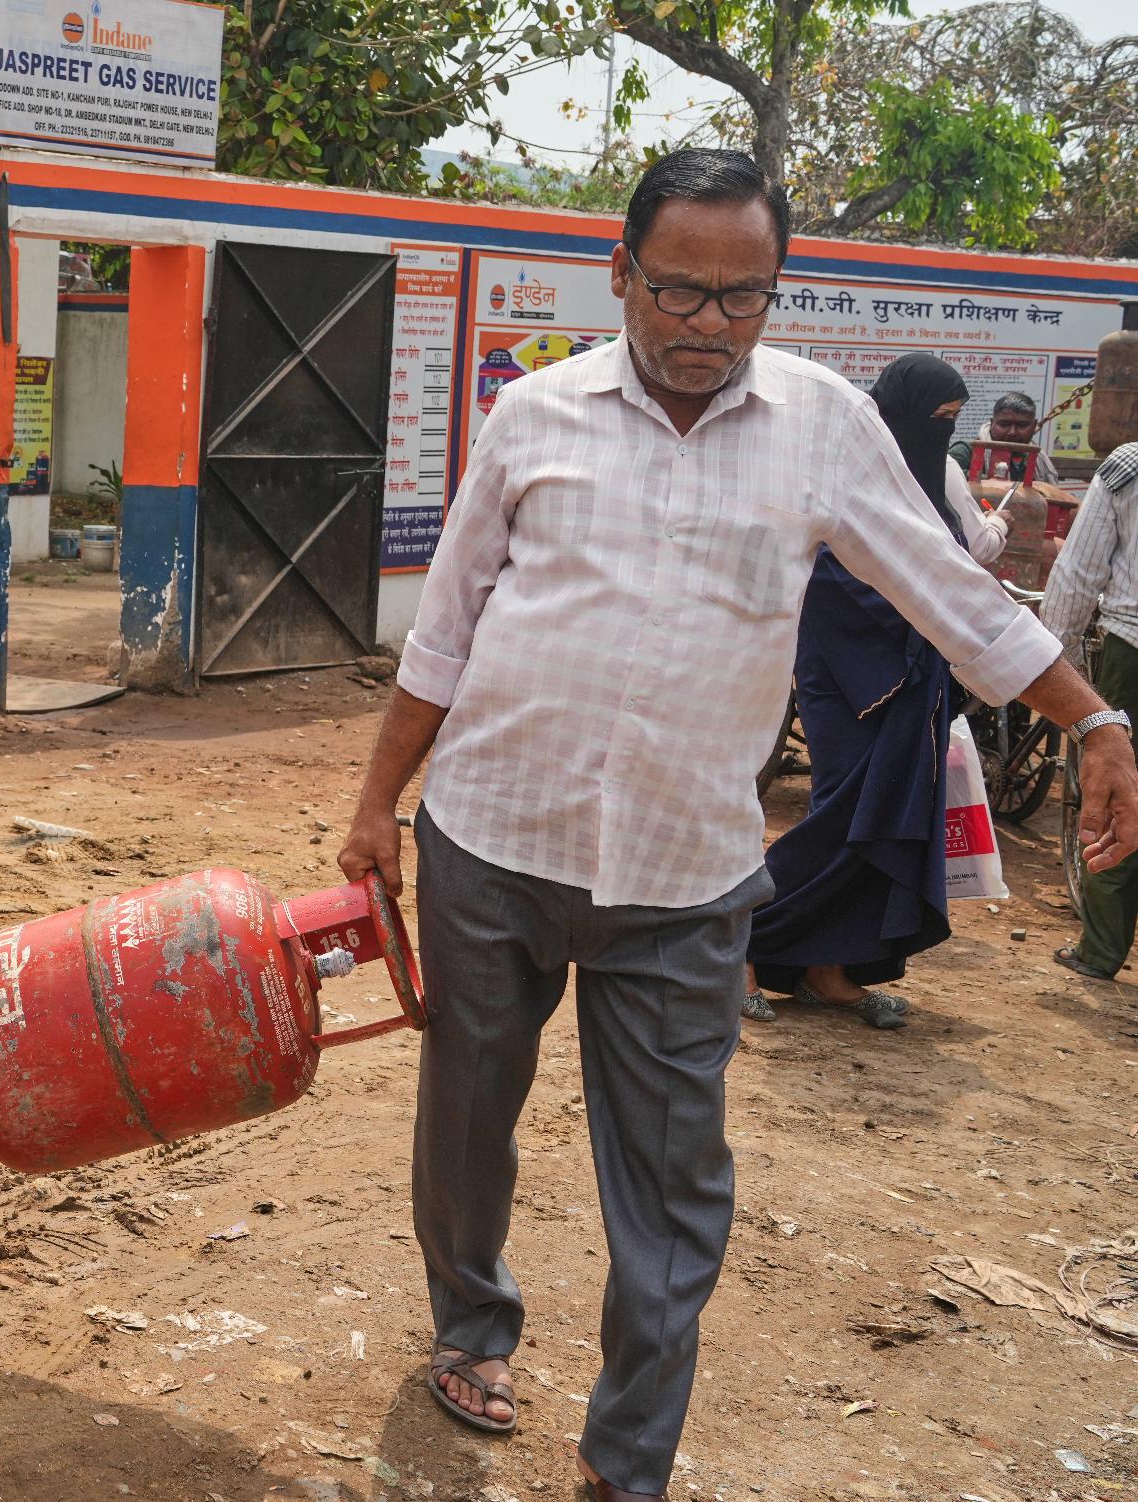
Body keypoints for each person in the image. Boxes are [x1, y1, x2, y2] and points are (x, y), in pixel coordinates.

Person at [334, 148, 1138, 1502]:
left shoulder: (822, 424)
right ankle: (472, 1323)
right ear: (621, 275)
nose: (706, 325)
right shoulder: (533, 416)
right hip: (490, 838)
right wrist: (373, 802)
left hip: (685, 873)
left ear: (775, 292)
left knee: (672, 1184)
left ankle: (625, 1457)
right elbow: (448, 629)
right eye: (677, 293)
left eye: (741, 298)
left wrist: (1094, 720)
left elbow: (951, 591)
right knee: (466, 1121)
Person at [742, 354, 988, 1029]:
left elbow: (954, 572)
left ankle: (829, 969)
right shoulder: (842, 476)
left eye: (951, 424)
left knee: (886, 830)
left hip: (917, 689)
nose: (940, 436)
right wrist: (911, 622)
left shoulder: (933, 485)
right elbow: (828, 583)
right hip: (855, 680)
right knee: (839, 827)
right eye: (931, 423)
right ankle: (740, 950)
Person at [1042, 441, 1138, 979]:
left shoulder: (1127, 466)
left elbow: (1078, 575)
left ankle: (1101, 951)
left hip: (1133, 650)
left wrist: (1051, 664)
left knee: (1115, 787)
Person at [951, 391, 1060, 485]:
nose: (1012, 432)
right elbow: (943, 476)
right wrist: (988, 481)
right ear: (992, 422)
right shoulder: (967, 451)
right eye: (1004, 424)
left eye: (1022, 425)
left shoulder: (1038, 459)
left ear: (1034, 426)